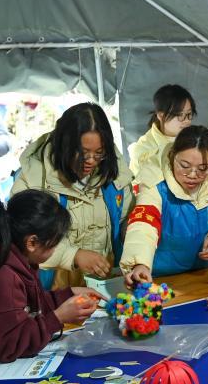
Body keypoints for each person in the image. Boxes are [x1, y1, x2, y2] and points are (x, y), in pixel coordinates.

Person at [0, 192, 101, 363]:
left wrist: (68, 295)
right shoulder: (2, 277)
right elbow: (9, 346)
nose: (55, 251)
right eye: (53, 245)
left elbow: (26, 307)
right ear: (32, 243)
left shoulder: (18, 262)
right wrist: (58, 318)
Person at [12, 102, 132, 289]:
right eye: (82, 153)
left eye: (99, 153)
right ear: (64, 145)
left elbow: (125, 218)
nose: (91, 161)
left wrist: (133, 233)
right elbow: (25, 238)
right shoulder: (35, 179)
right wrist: (73, 255)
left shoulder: (115, 174)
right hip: (54, 289)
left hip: (106, 285)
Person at [120, 125, 208, 285]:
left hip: (204, 276)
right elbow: (144, 224)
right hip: (158, 278)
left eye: (202, 168)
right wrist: (140, 263)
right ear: (172, 156)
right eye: (184, 166)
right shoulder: (154, 180)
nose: (192, 175)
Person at [128, 84, 197, 185]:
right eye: (180, 115)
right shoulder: (144, 151)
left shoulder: (195, 139)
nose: (186, 121)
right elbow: (139, 189)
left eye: (189, 114)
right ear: (161, 115)